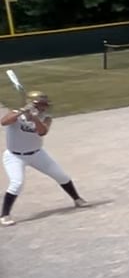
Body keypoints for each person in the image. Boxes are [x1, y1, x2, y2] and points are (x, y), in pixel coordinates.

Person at [2, 91, 87, 227]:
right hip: (15, 156)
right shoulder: (16, 114)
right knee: (17, 183)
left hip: (37, 154)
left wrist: (35, 118)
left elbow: (42, 132)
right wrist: (23, 111)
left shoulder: (46, 117)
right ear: (32, 104)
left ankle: (77, 199)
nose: (45, 107)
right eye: (42, 104)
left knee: (62, 176)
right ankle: (5, 215)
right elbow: (4, 122)